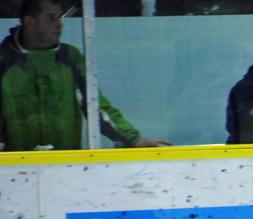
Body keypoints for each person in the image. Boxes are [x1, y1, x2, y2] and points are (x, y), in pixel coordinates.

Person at [0, 0, 170, 152]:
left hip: (67, 165)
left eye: (60, 17)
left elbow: (95, 105)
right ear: (29, 21)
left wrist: (132, 139)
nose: (59, 24)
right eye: (51, 18)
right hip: (14, 166)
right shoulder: (3, 61)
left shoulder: (70, 58)